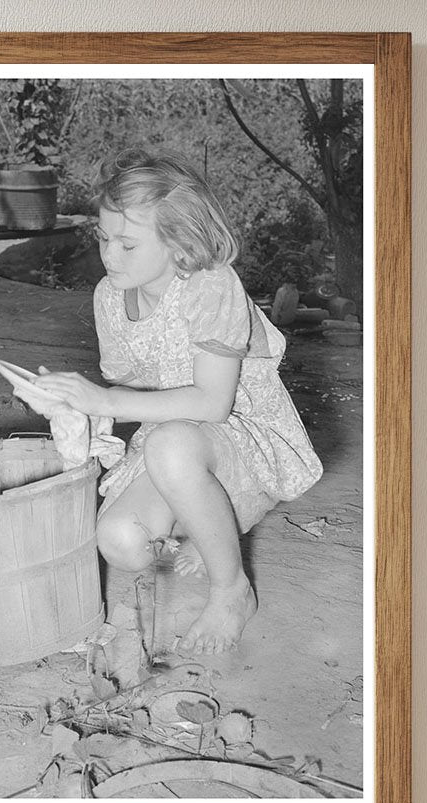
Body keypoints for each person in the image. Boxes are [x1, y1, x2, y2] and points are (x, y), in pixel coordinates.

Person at [35, 148, 323, 655]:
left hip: (242, 436)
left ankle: (231, 587)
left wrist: (106, 399)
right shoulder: (110, 295)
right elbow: (134, 393)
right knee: (124, 544)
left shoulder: (211, 287)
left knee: (169, 449)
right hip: (174, 434)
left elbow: (213, 404)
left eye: (127, 244)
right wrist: (76, 407)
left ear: (177, 241)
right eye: (104, 239)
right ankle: (207, 518)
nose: (109, 256)